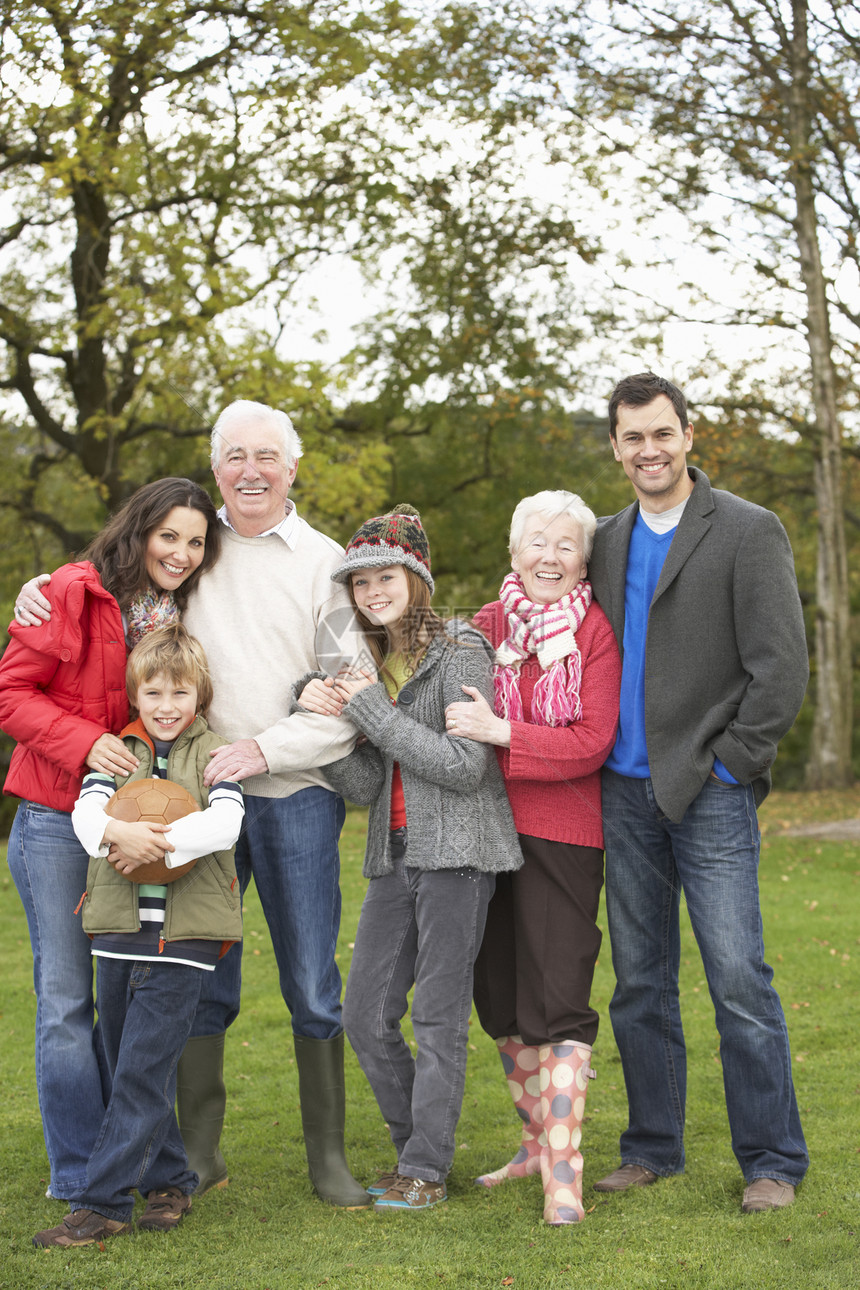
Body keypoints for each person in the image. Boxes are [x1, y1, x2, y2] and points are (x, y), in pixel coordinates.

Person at [15, 401, 369, 1208]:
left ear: (293, 467)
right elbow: (114, 579)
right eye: (235, 455)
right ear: (216, 470)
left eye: (268, 456)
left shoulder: (324, 561)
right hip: (189, 795)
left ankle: (329, 1160)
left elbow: (348, 693)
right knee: (198, 972)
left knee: (313, 981)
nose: (252, 470)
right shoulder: (195, 555)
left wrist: (266, 751)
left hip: (294, 794)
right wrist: (47, 584)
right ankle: (197, 1155)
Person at [586, 371, 809, 1214]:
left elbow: (781, 667)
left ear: (689, 436)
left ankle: (773, 1160)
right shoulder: (603, 539)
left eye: (661, 433)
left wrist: (730, 764)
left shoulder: (749, 531)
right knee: (639, 982)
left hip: (709, 790)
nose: (649, 450)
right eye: (632, 437)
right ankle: (651, 1148)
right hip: (622, 790)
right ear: (615, 446)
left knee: (738, 982)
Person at [295, 505, 523, 1211]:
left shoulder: (461, 649)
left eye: (385, 576)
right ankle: (415, 1156)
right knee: (364, 1014)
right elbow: (368, 782)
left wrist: (370, 713)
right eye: (360, 583)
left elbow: (464, 767)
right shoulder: (378, 662)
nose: (371, 593)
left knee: (437, 1018)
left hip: (459, 855)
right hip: (394, 854)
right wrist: (323, 720)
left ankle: (425, 1169)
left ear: (416, 578)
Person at [1, 478, 220, 1207]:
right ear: (139, 530)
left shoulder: (178, 613)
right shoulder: (70, 592)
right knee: (66, 1004)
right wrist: (86, 741)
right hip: (59, 821)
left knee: (128, 1000)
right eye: (170, 536)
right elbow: (12, 693)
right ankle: (76, 1170)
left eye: (195, 542)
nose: (182, 553)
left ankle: (141, 1168)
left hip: (143, 823)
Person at [33, 624, 244, 1247]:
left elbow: (226, 822)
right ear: (135, 694)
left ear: (199, 696)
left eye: (180, 693)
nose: (166, 706)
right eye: (153, 692)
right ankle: (171, 1179)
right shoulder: (116, 753)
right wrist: (114, 834)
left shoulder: (217, 753)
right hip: (118, 937)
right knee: (128, 1063)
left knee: (141, 1074)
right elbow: (86, 815)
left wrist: (160, 841)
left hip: (185, 944)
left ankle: (100, 1206)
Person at [443, 490, 621, 1225]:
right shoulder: (482, 627)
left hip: (565, 832)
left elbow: (591, 741)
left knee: (558, 999)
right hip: (485, 831)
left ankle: (565, 1171)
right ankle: (531, 1146)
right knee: (501, 996)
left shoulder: (594, 633)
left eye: (566, 545)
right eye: (536, 543)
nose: (550, 556)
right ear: (513, 553)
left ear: (583, 559)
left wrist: (502, 733)